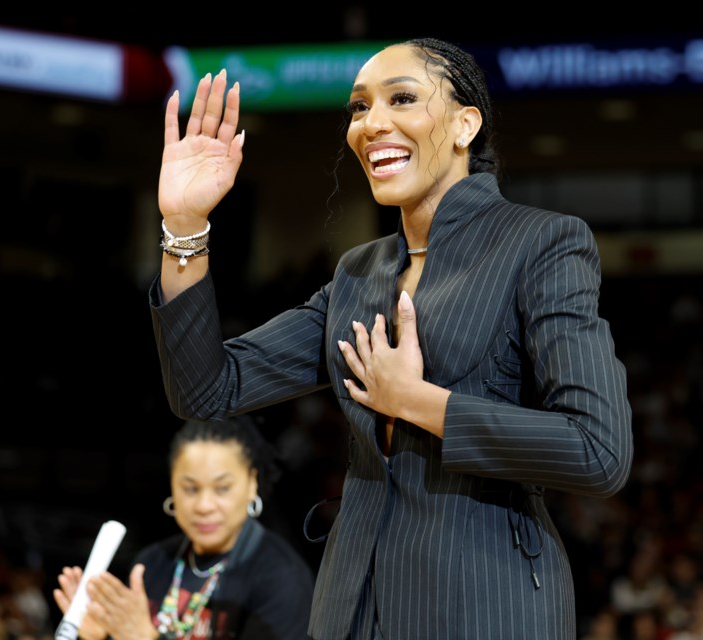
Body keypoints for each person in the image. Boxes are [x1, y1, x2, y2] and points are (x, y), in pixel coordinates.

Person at [150, 37, 633, 640]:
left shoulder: (541, 243)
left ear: (465, 125)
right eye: (357, 108)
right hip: (350, 607)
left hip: (486, 604)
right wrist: (186, 226)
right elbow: (206, 391)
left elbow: (599, 450)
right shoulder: (357, 272)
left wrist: (417, 402)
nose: (371, 124)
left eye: (401, 99)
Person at [53, 418, 315, 640]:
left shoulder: (282, 579)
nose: (203, 505)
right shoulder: (153, 563)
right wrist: (100, 634)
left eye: (222, 488)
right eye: (190, 488)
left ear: (252, 484)